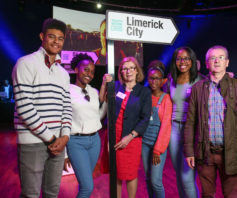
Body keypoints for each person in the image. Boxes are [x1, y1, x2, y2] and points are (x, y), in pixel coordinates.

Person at [184, 45, 237, 198]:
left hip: (231, 152)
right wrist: (189, 151)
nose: (217, 61)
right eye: (212, 58)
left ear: (227, 62)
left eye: (221, 57)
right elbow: (190, 122)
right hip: (205, 153)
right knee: (207, 195)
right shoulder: (197, 89)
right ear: (207, 64)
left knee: (230, 195)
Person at [12, 18, 72, 198]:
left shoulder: (63, 73)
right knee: (30, 195)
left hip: (58, 144)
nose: (56, 41)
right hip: (33, 142)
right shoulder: (25, 63)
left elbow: (67, 107)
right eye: (51, 36)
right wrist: (52, 138)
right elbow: (24, 107)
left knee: (52, 194)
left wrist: (65, 137)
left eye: (60, 38)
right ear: (42, 37)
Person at [102, 56, 152, 198]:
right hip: (113, 135)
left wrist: (130, 136)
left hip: (132, 137)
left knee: (130, 174)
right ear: (121, 72)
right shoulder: (116, 86)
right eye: (124, 68)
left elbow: (145, 118)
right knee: (116, 172)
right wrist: (104, 84)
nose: (128, 71)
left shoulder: (144, 92)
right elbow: (101, 100)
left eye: (131, 68)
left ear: (137, 71)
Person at [63, 53, 107, 197]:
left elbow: (97, 117)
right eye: (86, 69)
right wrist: (64, 154)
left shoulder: (93, 92)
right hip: (75, 142)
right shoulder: (66, 91)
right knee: (88, 187)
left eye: (92, 71)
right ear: (76, 69)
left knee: (85, 184)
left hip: (94, 141)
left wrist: (106, 103)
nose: (89, 74)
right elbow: (62, 122)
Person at [166, 46, 201, 198]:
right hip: (174, 129)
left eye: (186, 58)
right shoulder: (171, 80)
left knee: (187, 177)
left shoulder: (200, 80)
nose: (182, 62)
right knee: (179, 175)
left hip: (191, 130)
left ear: (192, 61)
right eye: (179, 58)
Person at [141, 60, 172, 198]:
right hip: (144, 144)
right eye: (151, 78)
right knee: (148, 179)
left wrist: (157, 150)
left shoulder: (166, 99)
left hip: (157, 147)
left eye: (157, 78)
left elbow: (166, 127)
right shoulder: (145, 96)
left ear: (163, 81)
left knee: (156, 182)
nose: (154, 81)